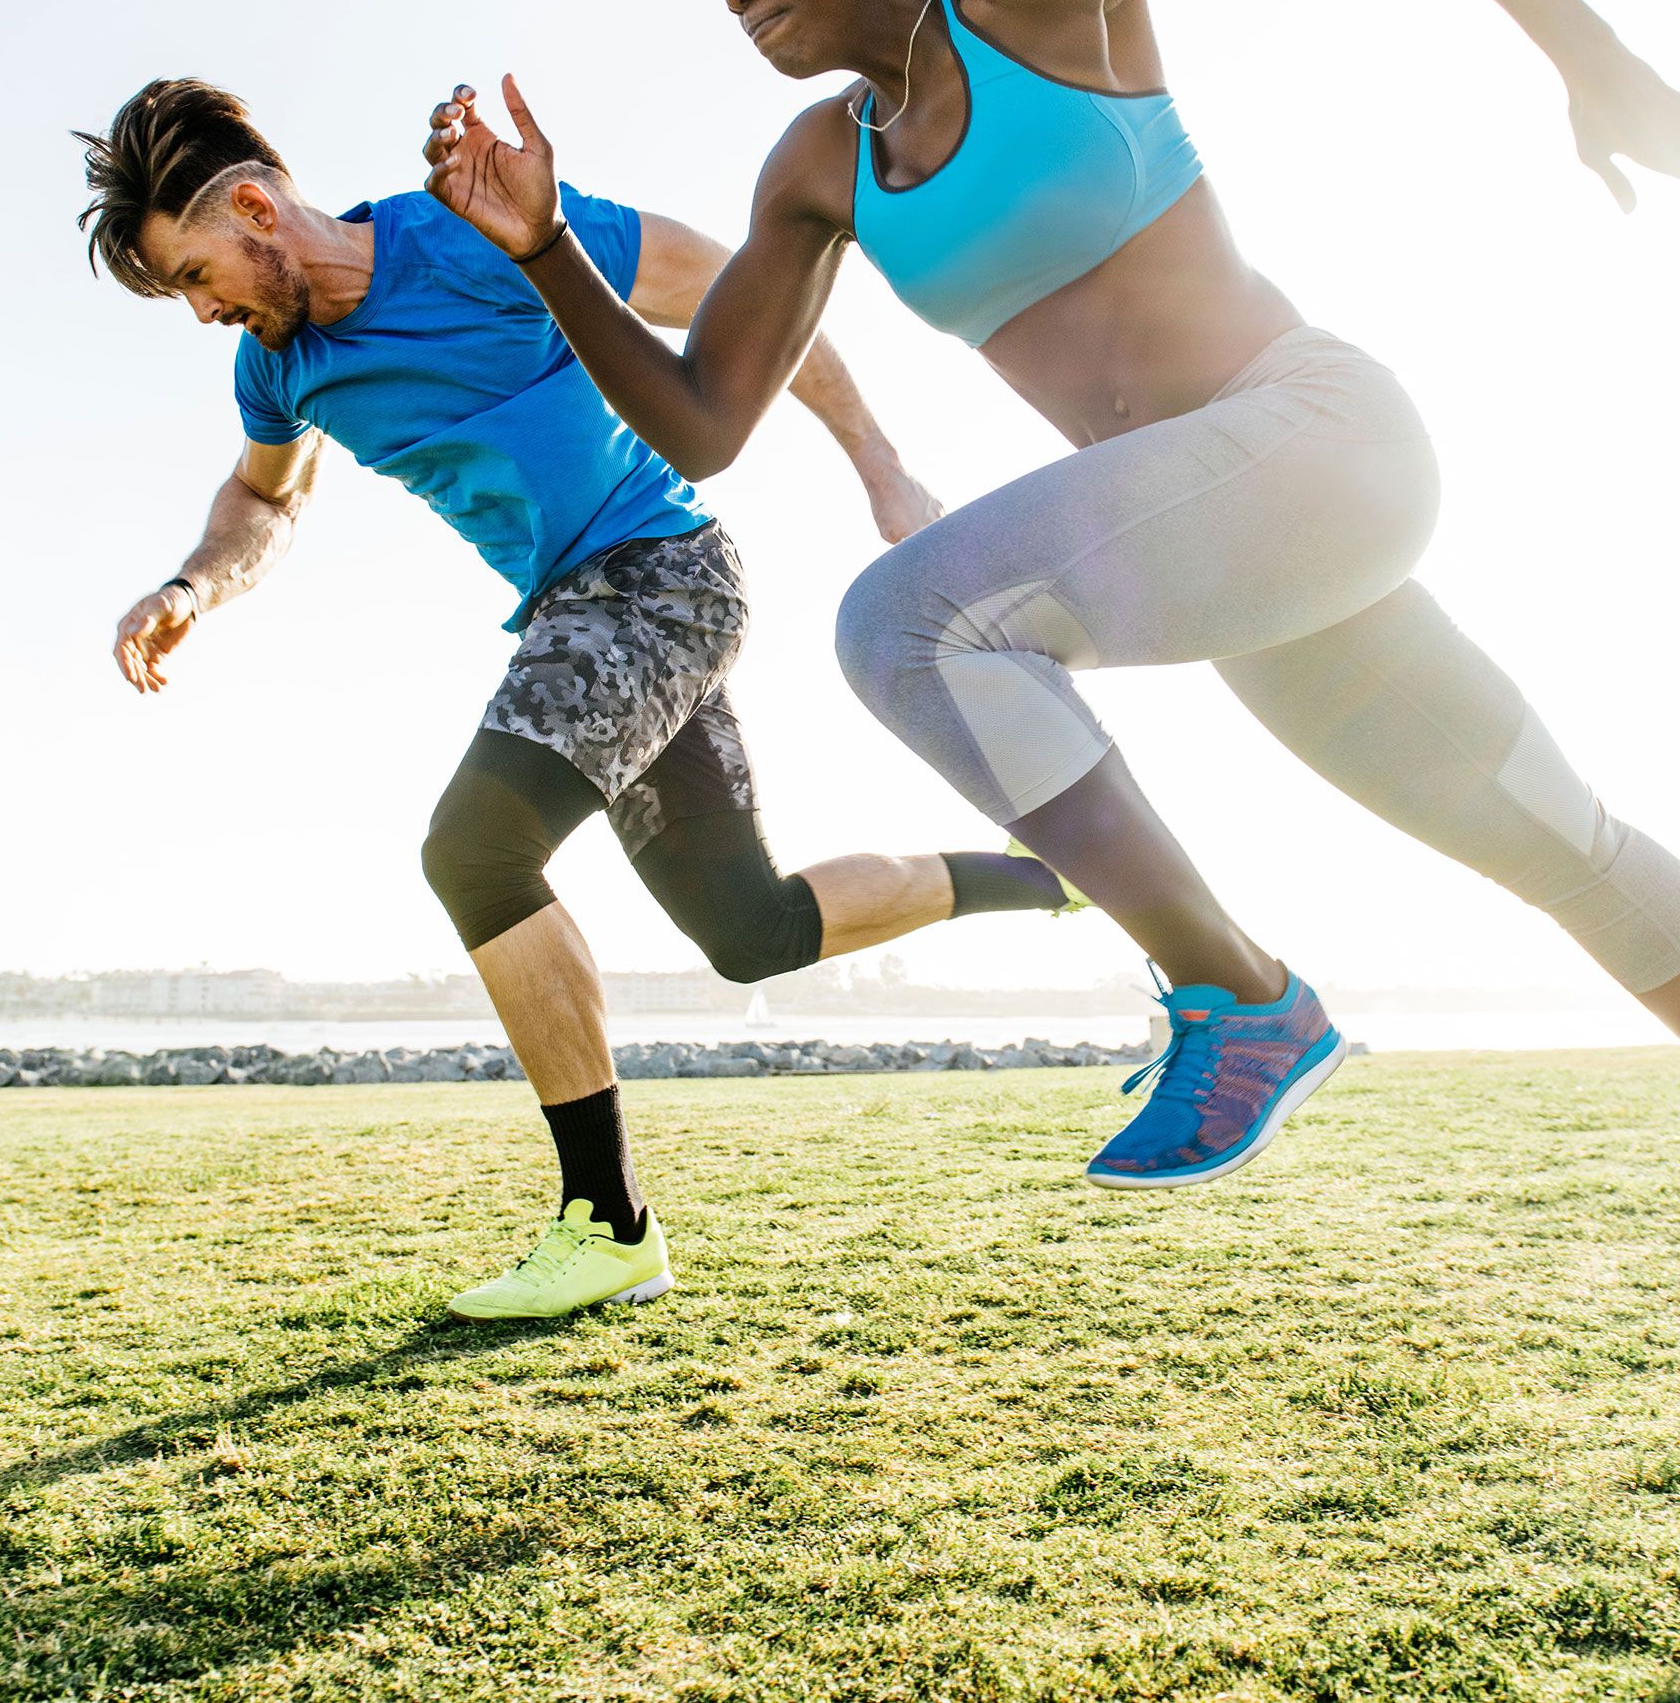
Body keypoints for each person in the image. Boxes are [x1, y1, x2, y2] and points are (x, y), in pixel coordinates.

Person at [418, 0, 1680, 1371]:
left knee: (908, 623)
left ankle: (1239, 998)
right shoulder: (825, 164)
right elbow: (704, 422)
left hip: (1315, 439)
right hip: (1251, 563)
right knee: (1563, 842)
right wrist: (545, 250)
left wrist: (1592, 57)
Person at [78, 79, 1080, 1321]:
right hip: (580, 612)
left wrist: (881, 467)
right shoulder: (277, 371)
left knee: (476, 850)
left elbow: (744, 296)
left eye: (192, 273)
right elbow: (266, 500)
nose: (202, 308)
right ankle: (1050, 872)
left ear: (249, 207)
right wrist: (196, 586)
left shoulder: (462, 231)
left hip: (658, 573)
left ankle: (608, 1223)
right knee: (751, 932)